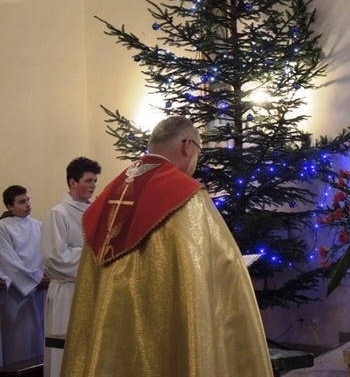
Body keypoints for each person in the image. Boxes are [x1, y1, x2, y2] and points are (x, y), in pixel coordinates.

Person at [61, 116, 273, 377]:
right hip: (162, 332)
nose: (196, 160)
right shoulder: (186, 194)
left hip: (112, 335)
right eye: (198, 150)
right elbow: (225, 264)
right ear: (187, 145)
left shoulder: (108, 192)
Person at [40, 157, 102, 377]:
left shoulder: (97, 212)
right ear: (73, 182)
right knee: (65, 351)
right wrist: (95, 255)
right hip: (67, 292)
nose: (94, 185)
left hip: (91, 289)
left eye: (95, 180)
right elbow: (54, 257)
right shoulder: (58, 214)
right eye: (88, 180)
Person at [0, 185, 49, 365]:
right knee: (19, 343)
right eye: (21, 202)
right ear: (10, 207)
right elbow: (8, 261)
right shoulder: (3, 228)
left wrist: (48, 276)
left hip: (41, 290)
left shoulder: (39, 225)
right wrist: (36, 279)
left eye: (28, 199)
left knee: (40, 338)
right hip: (19, 293)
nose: (27, 204)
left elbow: (47, 254)